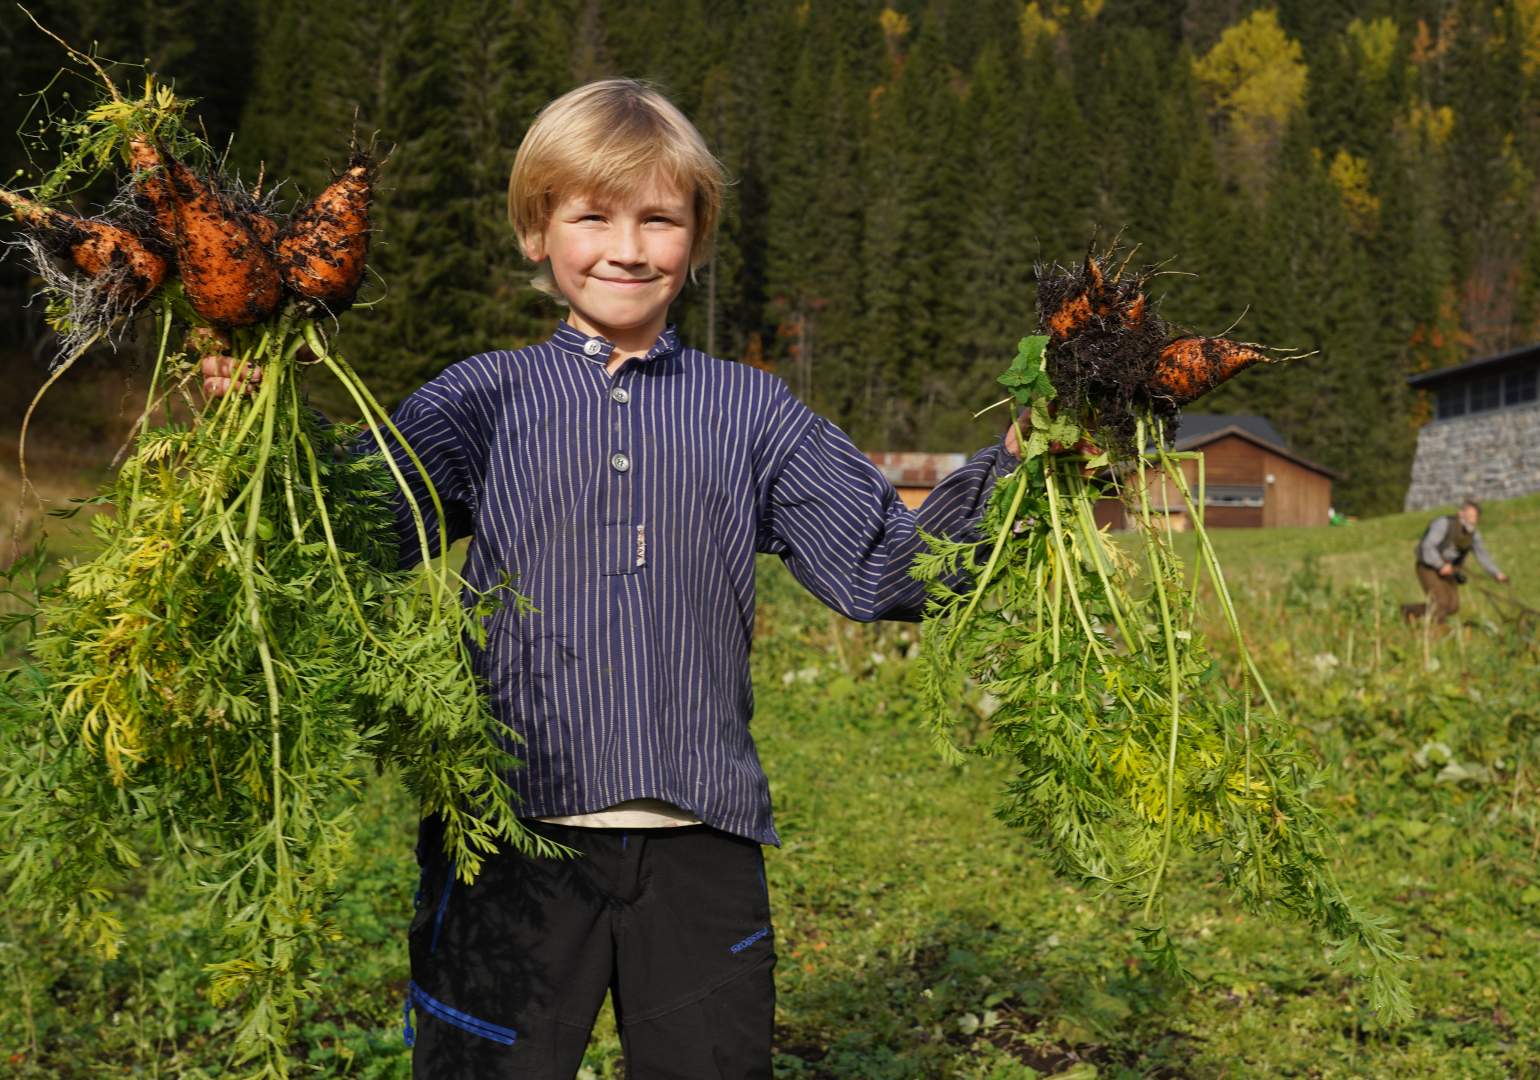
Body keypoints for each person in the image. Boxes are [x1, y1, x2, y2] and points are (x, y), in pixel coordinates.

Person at [206, 79, 1023, 1078]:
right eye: (591, 215)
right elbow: (355, 532)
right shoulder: (484, 398)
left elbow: (881, 567)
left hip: (701, 842)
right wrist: (262, 429)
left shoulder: (751, 414)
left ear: (697, 235)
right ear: (536, 231)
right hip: (506, 835)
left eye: (659, 218)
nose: (627, 247)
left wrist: (1028, 468)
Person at [1407, 499, 1508, 627]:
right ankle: (1437, 632)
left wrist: (1497, 573)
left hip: (1450, 569)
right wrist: (1440, 565)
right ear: (1461, 513)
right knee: (1441, 602)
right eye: (1470, 515)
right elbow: (1427, 546)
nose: (1473, 520)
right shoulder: (1443, 524)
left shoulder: (1474, 535)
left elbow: (1483, 556)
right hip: (1429, 566)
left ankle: (1409, 611)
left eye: (1475, 517)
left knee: (1453, 606)